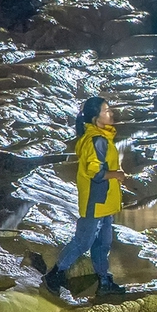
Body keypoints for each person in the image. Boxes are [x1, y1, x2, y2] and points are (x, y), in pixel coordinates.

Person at [44, 95, 126, 298]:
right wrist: (117, 174)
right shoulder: (97, 140)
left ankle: (104, 281)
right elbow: (95, 172)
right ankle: (55, 274)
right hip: (96, 201)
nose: (111, 113)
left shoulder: (102, 137)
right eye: (107, 110)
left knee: (103, 243)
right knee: (84, 241)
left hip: (105, 202)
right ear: (96, 118)